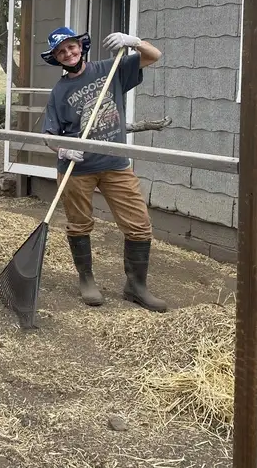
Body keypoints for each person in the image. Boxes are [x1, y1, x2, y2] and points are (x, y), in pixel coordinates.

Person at [40, 26, 167, 313]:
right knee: (79, 223)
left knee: (139, 225)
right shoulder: (59, 92)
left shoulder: (110, 69)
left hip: (115, 164)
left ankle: (136, 286)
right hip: (77, 167)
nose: (68, 53)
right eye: (61, 51)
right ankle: (86, 279)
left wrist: (134, 42)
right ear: (57, 58)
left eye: (71, 47)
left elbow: (154, 55)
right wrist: (61, 148)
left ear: (81, 47)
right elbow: (49, 134)